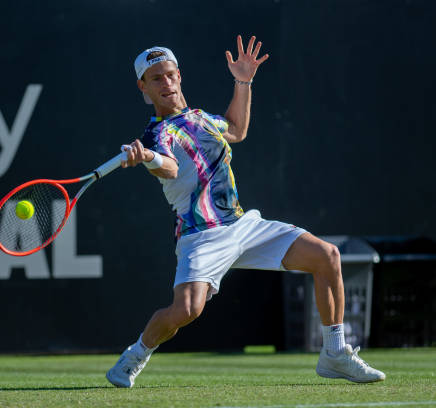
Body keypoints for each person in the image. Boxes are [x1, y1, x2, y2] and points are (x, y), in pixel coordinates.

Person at [106, 36, 386, 388]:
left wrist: (243, 81)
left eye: (170, 75)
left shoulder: (203, 119)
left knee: (327, 256)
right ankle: (134, 356)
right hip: (201, 235)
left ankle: (334, 352)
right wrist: (147, 157)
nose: (166, 83)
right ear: (142, 87)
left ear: (179, 76)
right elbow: (170, 167)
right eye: (156, 78)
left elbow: (236, 129)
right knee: (186, 311)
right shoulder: (155, 135)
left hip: (242, 225)